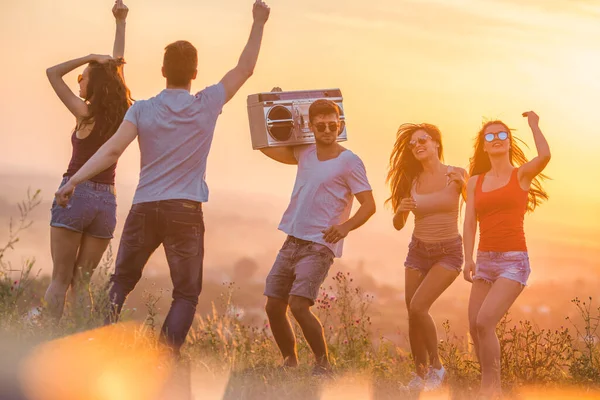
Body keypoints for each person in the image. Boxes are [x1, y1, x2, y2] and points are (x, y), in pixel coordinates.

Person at [55, 0, 271, 354]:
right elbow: (244, 68)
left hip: (145, 208)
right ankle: (165, 358)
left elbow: (110, 151)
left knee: (120, 283)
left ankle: (94, 348)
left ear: (162, 70)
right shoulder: (208, 101)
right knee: (185, 293)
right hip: (185, 210)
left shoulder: (142, 109)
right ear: (195, 73)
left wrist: (73, 181)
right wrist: (258, 22)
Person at [260, 94, 376, 375]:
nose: (327, 130)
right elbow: (266, 146)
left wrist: (344, 227)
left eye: (332, 126)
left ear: (341, 125)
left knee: (299, 305)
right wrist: (272, 107)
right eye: (321, 125)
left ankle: (323, 365)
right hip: (292, 239)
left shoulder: (350, 161)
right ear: (311, 126)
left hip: (319, 245)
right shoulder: (304, 152)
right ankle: (290, 362)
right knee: (274, 306)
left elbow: (369, 205)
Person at [44, 0, 132, 319]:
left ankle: (48, 339)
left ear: (92, 83)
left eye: (83, 77)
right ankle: (80, 340)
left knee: (60, 279)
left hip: (75, 194)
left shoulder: (85, 114)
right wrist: (120, 23)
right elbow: (117, 70)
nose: (79, 80)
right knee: (82, 286)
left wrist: (89, 57)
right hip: (106, 203)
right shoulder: (122, 115)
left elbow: (52, 73)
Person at [463, 112, 550, 398]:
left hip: (514, 262)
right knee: (475, 327)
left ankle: (490, 389)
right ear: (484, 146)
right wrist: (468, 258)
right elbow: (469, 221)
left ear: (509, 142)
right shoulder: (475, 181)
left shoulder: (521, 174)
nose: (497, 139)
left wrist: (534, 125)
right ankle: (492, 386)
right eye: (490, 136)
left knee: (485, 322)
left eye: (502, 135)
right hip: (485, 261)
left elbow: (545, 156)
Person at [386, 123, 467, 391]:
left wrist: (465, 187)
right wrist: (400, 210)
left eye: (423, 140)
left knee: (419, 306)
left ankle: (437, 368)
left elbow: (473, 207)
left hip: (449, 252)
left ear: (436, 143)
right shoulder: (412, 181)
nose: (417, 145)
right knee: (413, 313)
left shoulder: (456, 174)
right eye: (412, 144)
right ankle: (419, 375)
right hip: (418, 251)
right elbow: (399, 224)